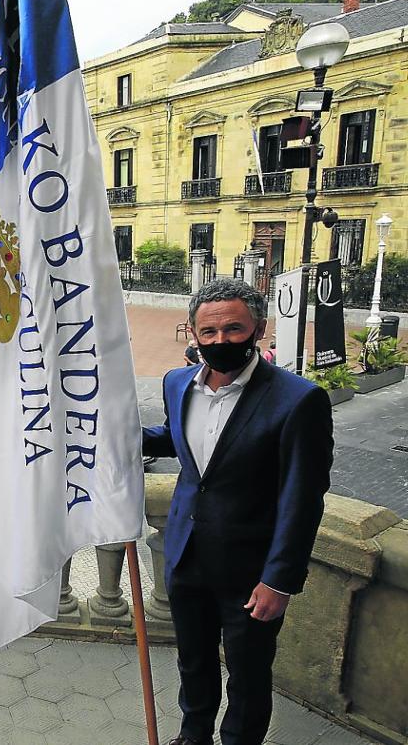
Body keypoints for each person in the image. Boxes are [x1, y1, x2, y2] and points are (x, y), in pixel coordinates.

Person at [142, 279, 333, 745]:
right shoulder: (175, 382)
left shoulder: (299, 400)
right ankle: (193, 736)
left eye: (233, 329)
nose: (220, 341)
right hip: (186, 557)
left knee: (247, 677)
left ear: (258, 328)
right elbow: (182, 441)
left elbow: (302, 498)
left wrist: (279, 580)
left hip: (251, 573)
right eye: (208, 332)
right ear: (192, 332)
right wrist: (117, 432)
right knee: (193, 661)